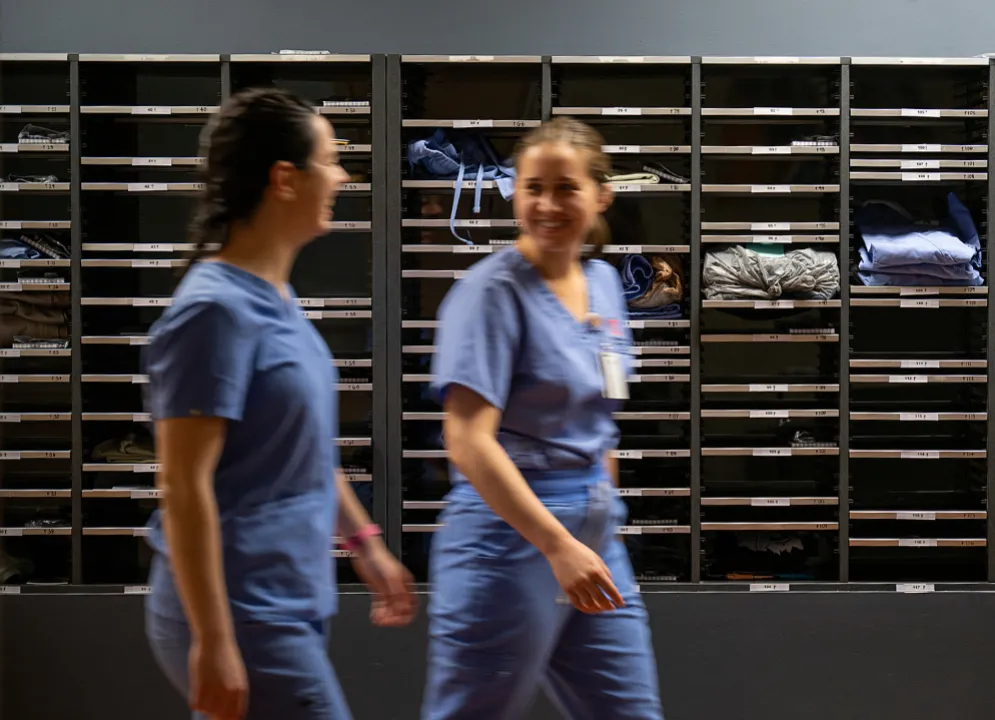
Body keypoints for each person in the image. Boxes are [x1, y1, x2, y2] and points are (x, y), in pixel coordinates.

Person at [142, 87, 417, 720]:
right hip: (239, 608)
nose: (344, 176)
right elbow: (183, 487)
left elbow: (305, 450)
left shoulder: (279, 297)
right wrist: (213, 641)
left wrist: (365, 544)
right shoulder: (213, 311)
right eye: (332, 160)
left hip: (288, 596)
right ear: (284, 179)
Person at [422, 117, 665, 719]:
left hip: (593, 535)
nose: (546, 205)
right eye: (532, 187)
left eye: (565, 188)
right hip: (506, 540)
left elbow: (600, 412)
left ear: (600, 194)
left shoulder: (605, 284)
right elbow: (468, 441)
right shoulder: (490, 293)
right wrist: (557, 544)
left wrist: (598, 511)